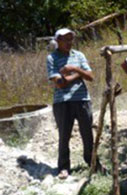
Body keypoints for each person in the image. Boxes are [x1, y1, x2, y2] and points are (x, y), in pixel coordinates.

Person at [46, 28, 103, 179]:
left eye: (71, 39)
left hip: (82, 99)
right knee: (64, 135)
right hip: (62, 102)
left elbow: (90, 76)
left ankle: (93, 163)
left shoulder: (79, 55)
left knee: (87, 134)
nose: (69, 42)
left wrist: (72, 69)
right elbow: (59, 84)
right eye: (65, 39)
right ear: (57, 41)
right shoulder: (52, 58)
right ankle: (64, 167)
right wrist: (79, 75)